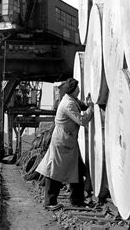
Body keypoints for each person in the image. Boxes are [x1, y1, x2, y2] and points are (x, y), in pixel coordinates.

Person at [36, 77, 94, 210]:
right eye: (78, 87)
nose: (80, 89)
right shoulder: (68, 104)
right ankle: (49, 202)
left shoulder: (71, 99)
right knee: (54, 172)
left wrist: (88, 103)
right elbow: (82, 120)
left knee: (78, 170)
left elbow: (81, 105)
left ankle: (77, 199)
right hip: (62, 143)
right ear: (74, 90)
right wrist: (91, 108)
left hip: (69, 142)